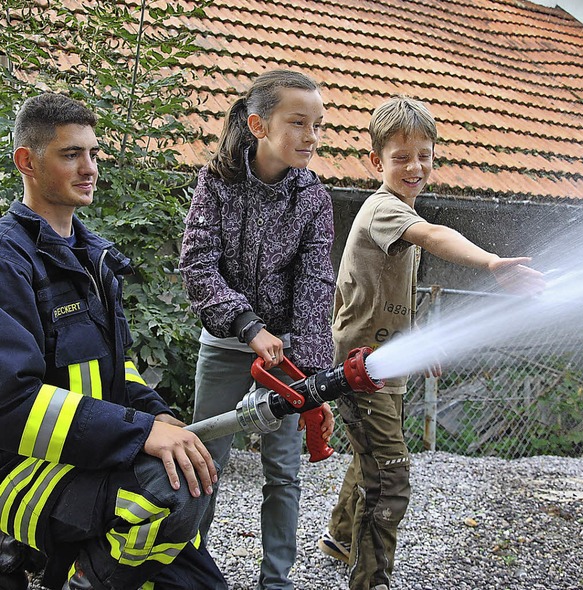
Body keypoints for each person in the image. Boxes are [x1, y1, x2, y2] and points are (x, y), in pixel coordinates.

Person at [0, 92, 227, 590]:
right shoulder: (7, 262)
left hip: (89, 455)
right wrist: (138, 433)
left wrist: (156, 415)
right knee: (170, 493)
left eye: (94, 153)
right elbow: (12, 404)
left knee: (191, 493)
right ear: (27, 162)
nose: (90, 168)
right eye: (70, 154)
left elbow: (114, 372)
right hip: (19, 472)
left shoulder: (92, 259)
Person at [317, 96, 546, 590]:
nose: (414, 166)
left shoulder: (399, 212)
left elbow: (390, 296)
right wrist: (489, 263)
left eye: (424, 154)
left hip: (385, 363)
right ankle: (370, 579)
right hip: (362, 367)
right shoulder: (384, 209)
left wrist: (419, 341)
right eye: (401, 157)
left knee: (369, 458)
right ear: (377, 162)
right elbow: (434, 234)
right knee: (391, 474)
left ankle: (340, 539)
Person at [179, 70, 336, 590]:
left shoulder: (314, 198)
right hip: (227, 344)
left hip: (286, 358)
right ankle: (189, 569)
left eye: (318, 125)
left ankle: (277, 581)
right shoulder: (217, 182)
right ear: (258, 124)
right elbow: (198, 265)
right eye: (298, 123)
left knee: (284, 472)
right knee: (205, 463)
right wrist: (247, 326)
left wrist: (311, 383)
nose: (311, 137)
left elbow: (316, 284)